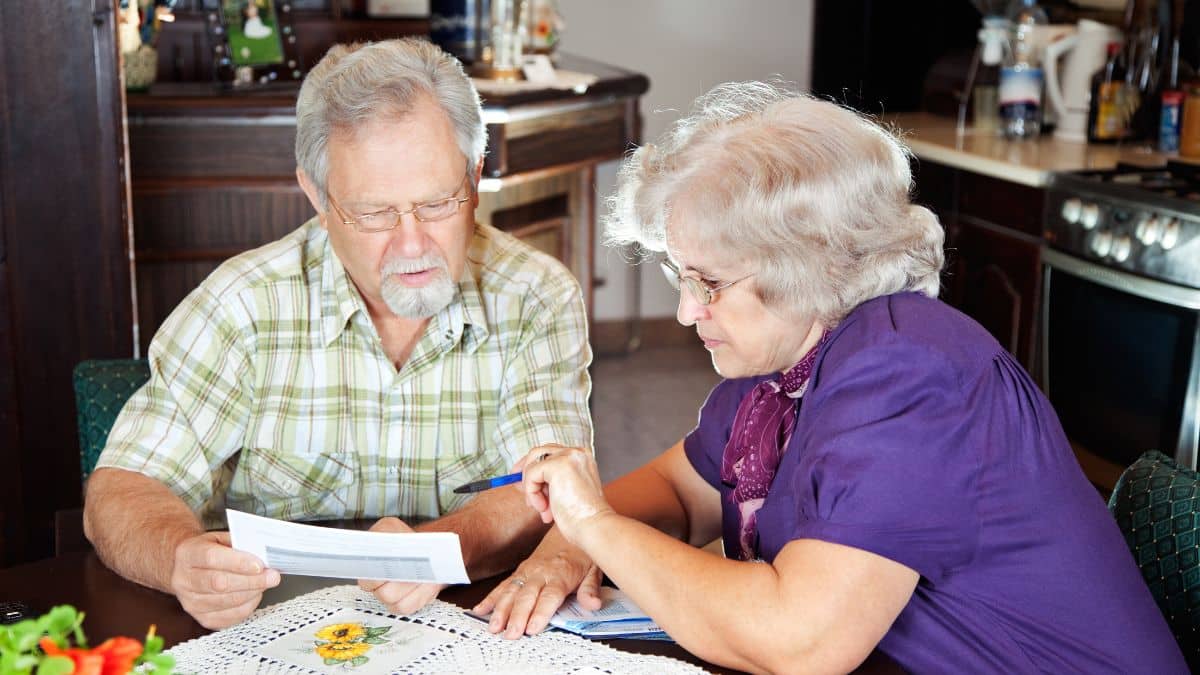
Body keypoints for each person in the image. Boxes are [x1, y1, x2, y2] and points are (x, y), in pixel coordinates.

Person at [475, 82, 1188, 673]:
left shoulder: (910, 373)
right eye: (679, 273)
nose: (688, 310)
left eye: (710, 281)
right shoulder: (780, 375)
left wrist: (594, 525)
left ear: (808, 268)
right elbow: (676, 493)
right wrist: (568, 543)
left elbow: (803, 640)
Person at [83, 38, 592, 630]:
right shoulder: (244, 302)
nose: (411, 245)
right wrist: (179, 560)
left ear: (475, 177)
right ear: (318, 197)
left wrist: (432, 551)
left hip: (467, 628)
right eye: (374, 214)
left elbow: (553, 488)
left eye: (437, 203)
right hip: (272, 638)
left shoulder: (537, 296)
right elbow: (123, 487)